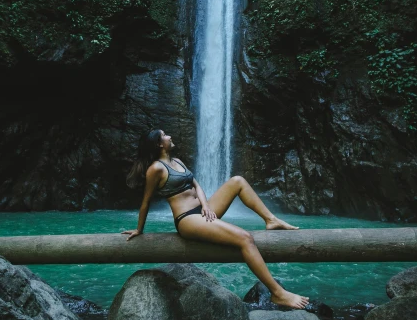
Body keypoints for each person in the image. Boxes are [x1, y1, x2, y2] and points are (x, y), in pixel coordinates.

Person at [124, 129, 310, 309]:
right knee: (245, 238)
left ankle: (271, 220)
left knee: (237, 181)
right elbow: (145, 202)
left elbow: (196, 186)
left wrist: (205, 206)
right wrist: (139, 230)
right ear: (159, 144)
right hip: (187, 219)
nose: (169, 136)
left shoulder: (178, 161)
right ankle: (278, 293)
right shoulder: (156, 169)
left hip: (202, 210)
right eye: (164, 135)